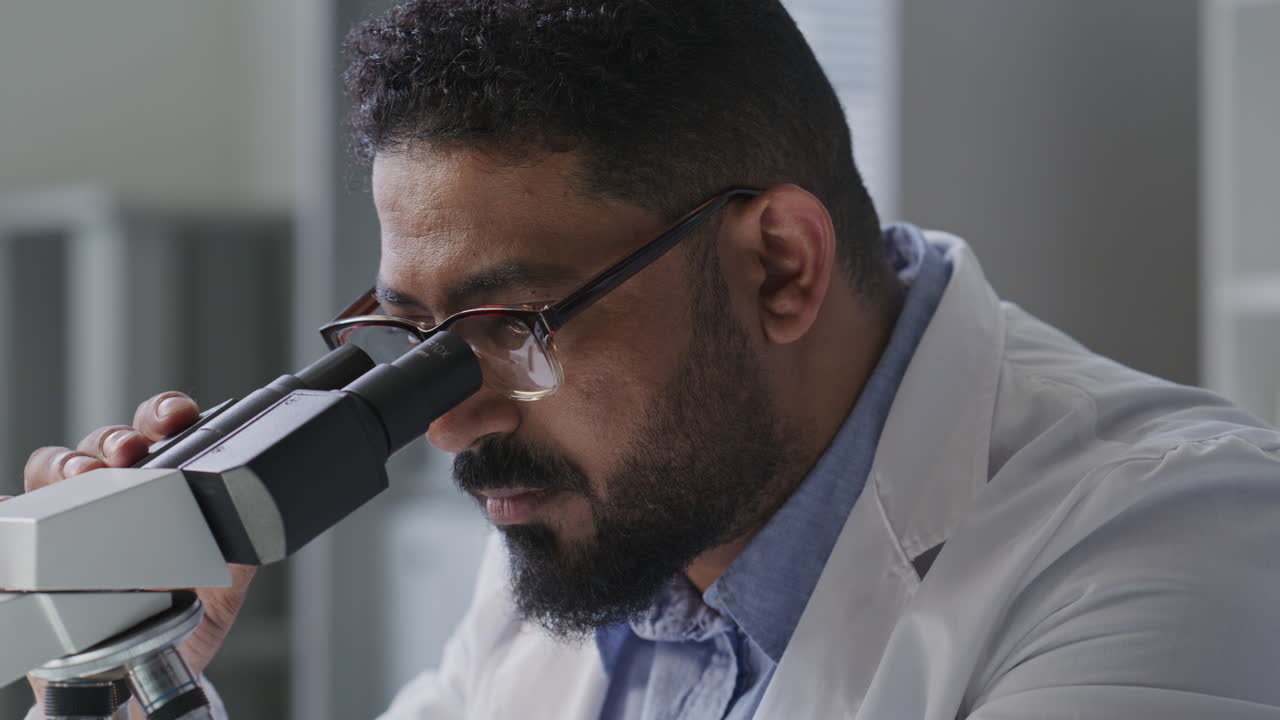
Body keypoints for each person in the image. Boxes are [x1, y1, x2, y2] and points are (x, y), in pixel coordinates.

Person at [21, 1, 1280, 718]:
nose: (451, 426)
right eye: (410, 337)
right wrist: (135, 682)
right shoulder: (587, 535)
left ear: (778, 266)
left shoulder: (1181, 549)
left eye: (510, 326)